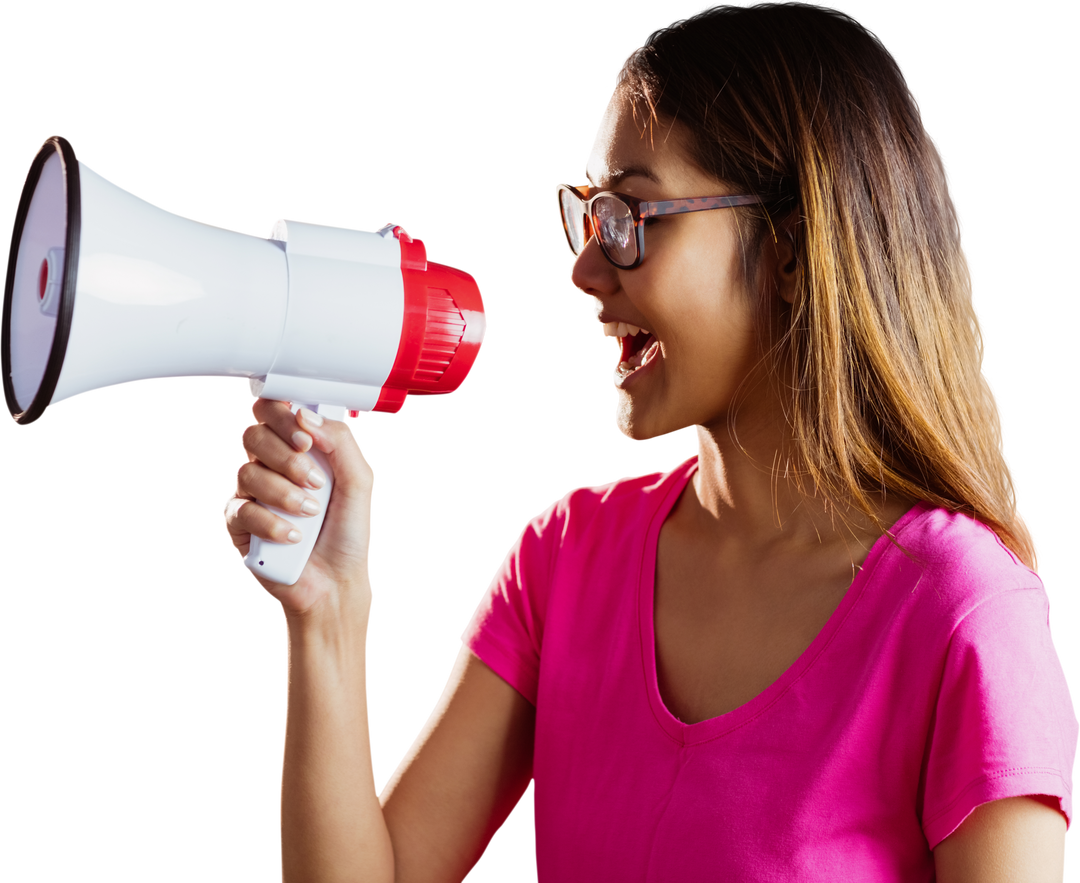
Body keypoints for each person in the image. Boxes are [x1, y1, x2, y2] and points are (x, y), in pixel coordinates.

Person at [221, 2, 1076, 880]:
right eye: (585, 215)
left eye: (631, 216)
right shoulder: (566, 558)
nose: (583, 271)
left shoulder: (964, 616)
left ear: (789, 247)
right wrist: (326, 614)